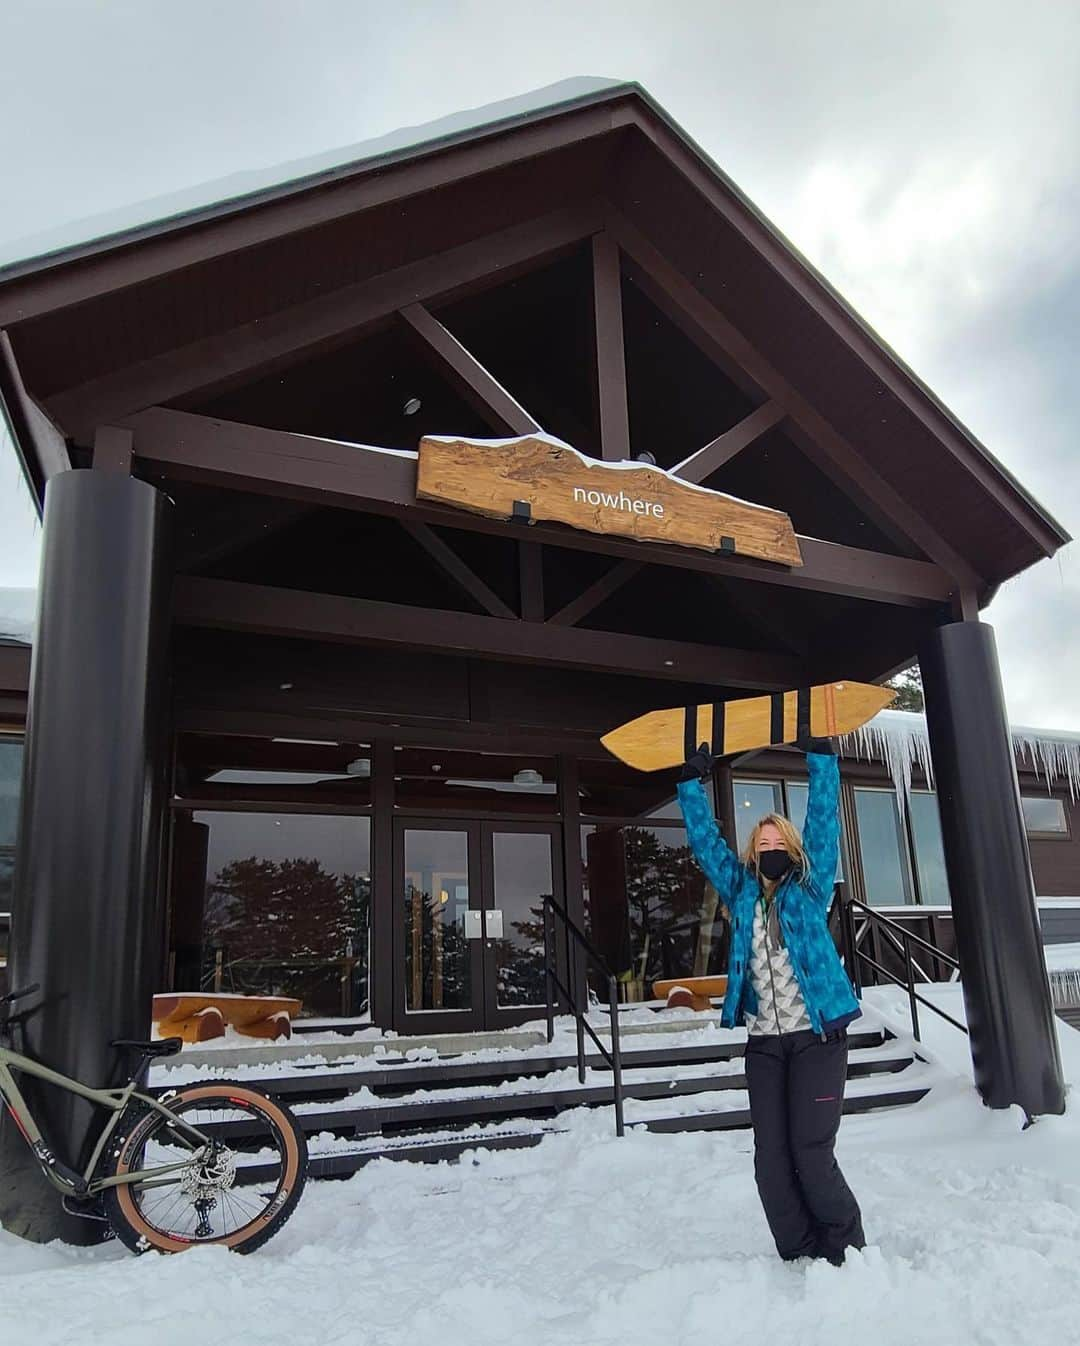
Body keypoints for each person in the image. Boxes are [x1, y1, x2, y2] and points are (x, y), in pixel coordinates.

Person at [677, 733, 865, 1266]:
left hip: (817, 1040)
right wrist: (692, 783)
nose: (770, 854)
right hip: (764, 1045)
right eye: (762, 849)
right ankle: (798, 1251)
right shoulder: (740, 892)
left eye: (778, 846)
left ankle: (845, 1251)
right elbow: (706, 845)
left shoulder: (810, 888)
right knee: (771, 1160)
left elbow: (825, 822)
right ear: (752, 856)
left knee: (811, 1150)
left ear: (792, 850)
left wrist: (822, 758)